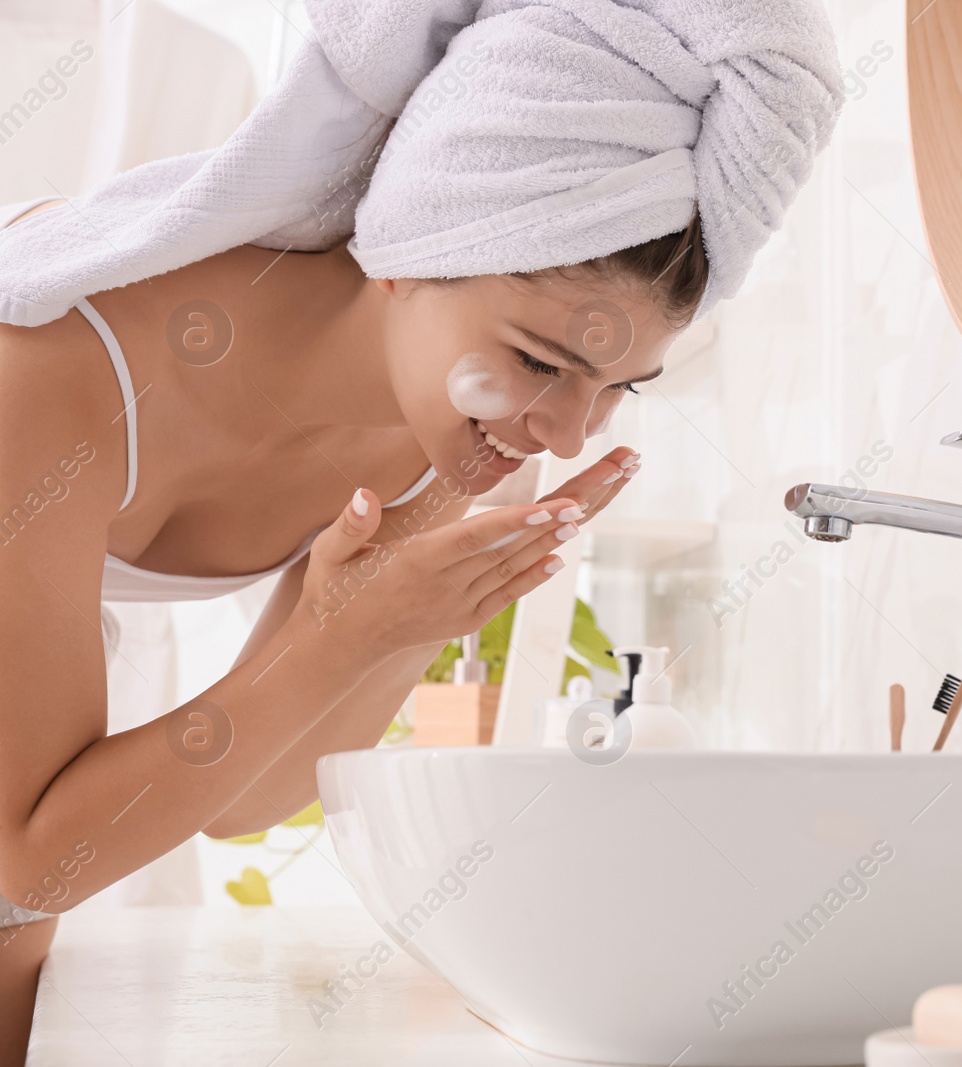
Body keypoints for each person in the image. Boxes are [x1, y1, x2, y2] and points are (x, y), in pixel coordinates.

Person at [0, 0, 841, 1057]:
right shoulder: (47, 370)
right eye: (542, 360)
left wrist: (402, 617)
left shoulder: (452, 435)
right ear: (406, 243)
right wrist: (344, 631)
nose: (566, 432)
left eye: (620, 385)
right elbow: (34, 859)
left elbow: (246, 796)